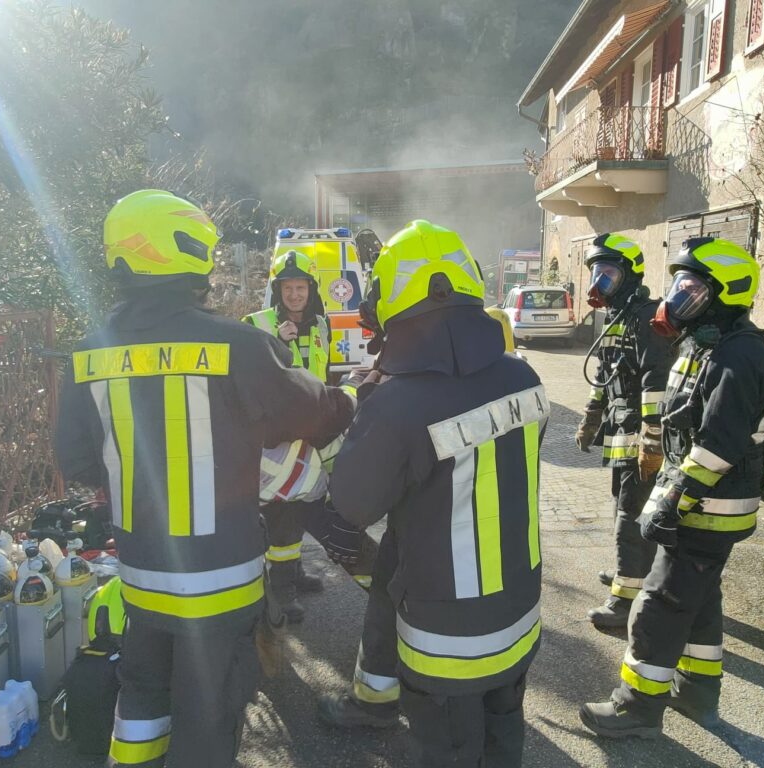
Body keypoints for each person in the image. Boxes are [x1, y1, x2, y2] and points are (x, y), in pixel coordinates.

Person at [54, 189, 355, 768]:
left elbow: (80, 461)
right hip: (221, 579)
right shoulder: (237, 344)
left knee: (142, 698)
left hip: (141, 575)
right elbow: (316, 414)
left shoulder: (88, 355)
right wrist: (352, 399)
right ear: (187, 251)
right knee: (208, 712)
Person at [324, 219, 548, 766]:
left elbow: (351, 505)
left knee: (448, 751)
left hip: (447, 642)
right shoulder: (524, 378)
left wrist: (365, 404)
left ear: (392, 300)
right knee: (502, 741)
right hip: (518, 613)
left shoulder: (397, 403)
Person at [580, 238, 764, 738]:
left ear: (726, 294)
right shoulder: (707, 345)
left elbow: (718, 444)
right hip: (705, 503)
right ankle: (695, 691)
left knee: (660, 603)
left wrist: (671, 499)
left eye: (692, 289)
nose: (678, 298)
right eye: (679, 287)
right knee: (699, 600)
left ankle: (636, 709)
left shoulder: (740, 355)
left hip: (709, 505)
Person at [243, 250, 370, 621]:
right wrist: (276, 342)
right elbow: (248, 380)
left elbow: (322, 372)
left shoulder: (321, 324)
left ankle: (294, 573)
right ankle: (281, 591)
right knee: (282, 511)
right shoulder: (257, 324)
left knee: (302, 506)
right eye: (287, 288)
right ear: (277, 290)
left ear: (311, 289)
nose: (294, 295)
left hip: (311, 432)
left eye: (300, 288)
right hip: (277, 438)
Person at [575, 234, 676, 628]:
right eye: (596, 273)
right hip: (621, 426)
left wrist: (652, 434)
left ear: (630, 275)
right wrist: (591, 415)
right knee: (623, 501)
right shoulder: (618, 316)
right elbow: (605, 371)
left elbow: (656, 376)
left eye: (608, 273)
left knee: (630, 513)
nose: (600, 282)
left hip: (640, 430)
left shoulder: (648, 318)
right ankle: (631, 571)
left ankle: (624, 600)